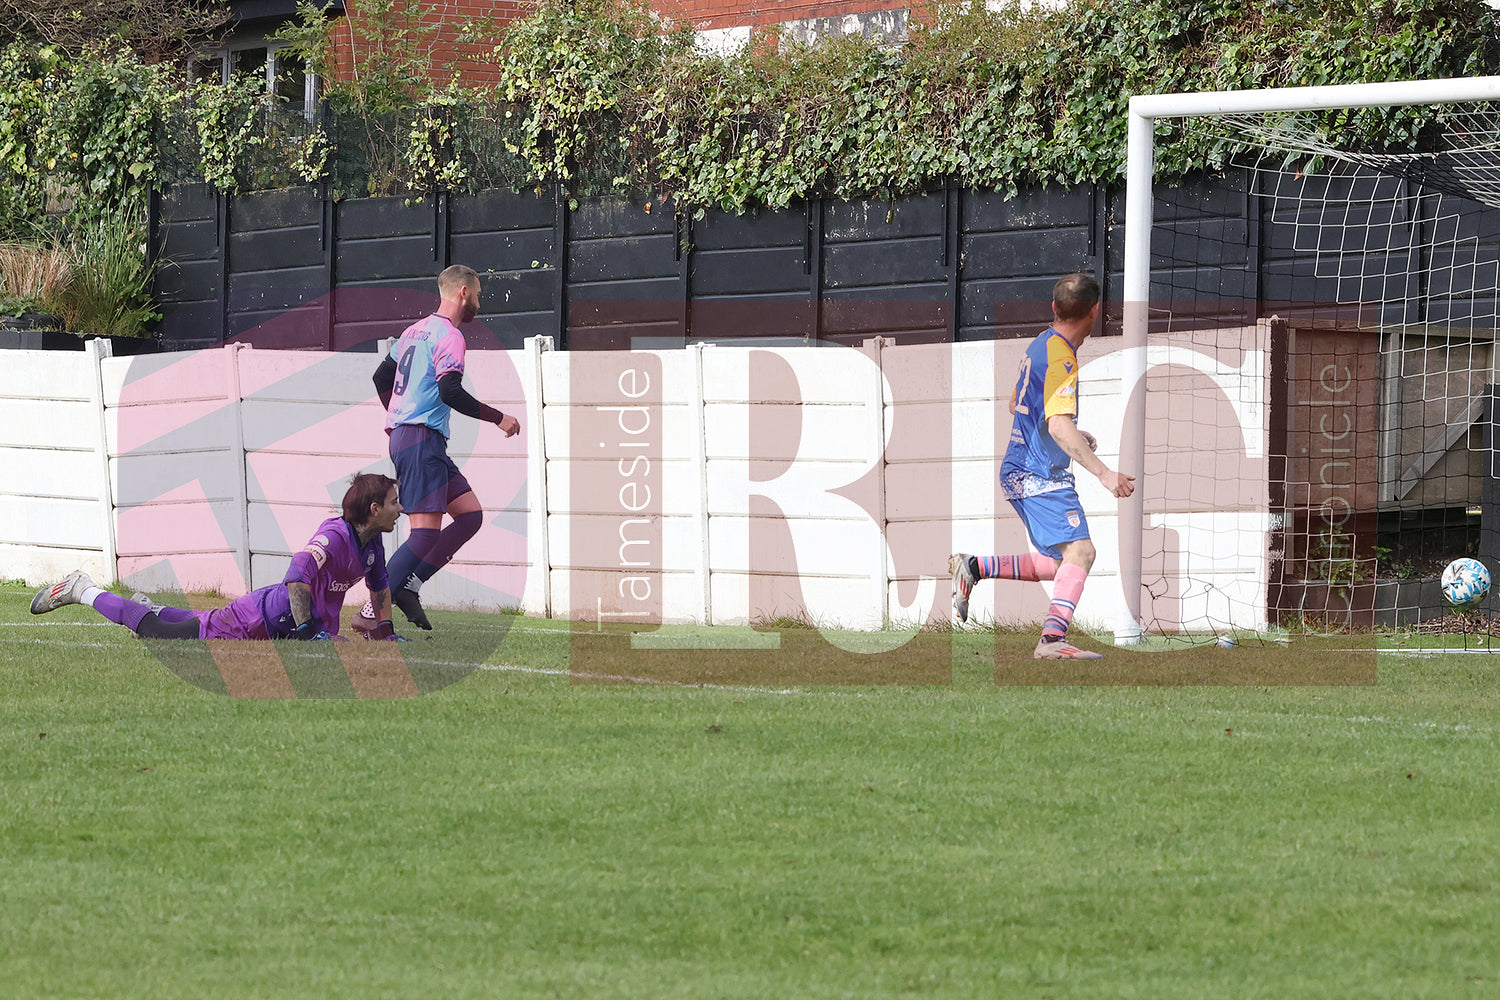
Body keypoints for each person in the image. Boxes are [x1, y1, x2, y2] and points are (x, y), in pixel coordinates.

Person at [950, 273, 1135, 660]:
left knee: (1062, 561)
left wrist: (1071, 432)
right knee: (1081, 552)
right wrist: (1104, 473)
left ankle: (975, 566)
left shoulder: (1040, 345)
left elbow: (1020, 405)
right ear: (1096, 312)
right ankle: (1051, 641)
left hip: (1019, 469)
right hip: (1039, 475)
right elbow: (1055, 422)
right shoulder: (1063, 358)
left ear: (1054, 308)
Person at [30, 474, 409, 642]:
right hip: (258, 620)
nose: (401, 508)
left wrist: (386, 632)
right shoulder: (333, 536)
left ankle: (153, 607)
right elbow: (297, 578)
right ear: (374, 509)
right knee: (157, 634)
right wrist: (311, 633)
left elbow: (380, 590)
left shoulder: (372, 542)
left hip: (269, 618)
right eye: (394, 503)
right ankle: (85, 591)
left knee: (202, 620)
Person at [356, 264, 520, 633]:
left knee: (470, 515)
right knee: (425, 533)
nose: (478, 301)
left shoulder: (414, 331)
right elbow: (450, 391)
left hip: (417, 437)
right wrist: (498, 418)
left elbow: (382, 376)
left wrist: (400, 413)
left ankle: (411, 585)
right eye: (477, 294)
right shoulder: (450, 336)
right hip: (420, 439)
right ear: (463, 292)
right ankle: (371, 613)